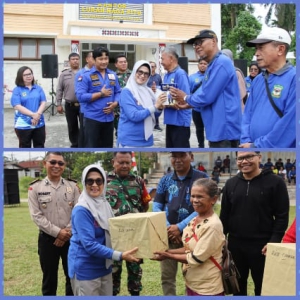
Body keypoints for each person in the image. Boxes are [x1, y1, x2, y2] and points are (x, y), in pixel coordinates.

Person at [220, 151, 289, 295]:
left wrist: (273, 242)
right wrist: (221, 239)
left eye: (249, 157)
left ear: (259, 157)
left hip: (263, 246)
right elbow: (224, 215)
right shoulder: (231, 184)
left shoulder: (275, 182)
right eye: (240, 158)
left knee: (263, 287)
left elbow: (282, 216)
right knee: (238, 287)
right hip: (235, 245)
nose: (244, 161)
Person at [68, 164, 139, 296]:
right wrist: (120, 255)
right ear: (84, 183)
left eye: (99, 181)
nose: (94, 185)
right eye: (90, 181)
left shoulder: (104, 204)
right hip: (86, 269)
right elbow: (89, 245)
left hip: (105, 265)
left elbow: (113, 231)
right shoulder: (81, 210)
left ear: (104, 183)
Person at [153, 178, 225, 296]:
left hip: (207, 287)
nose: (195, 200)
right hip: (193, 283)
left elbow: (197, 258)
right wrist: (166, 251)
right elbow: (188, 248)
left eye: (200, 197)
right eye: (193, 196)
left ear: (213, 199)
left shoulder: (213, 226)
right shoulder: (195, 219)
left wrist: (167, 255)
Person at [172, 29, 241, 148]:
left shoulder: (221, 62)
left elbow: (206, 96)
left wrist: (185, 97)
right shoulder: (213, 64)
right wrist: (189, 103)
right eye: (195, 44)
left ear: (213, 41)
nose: (197, 47)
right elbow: (205, 91)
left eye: (201, 42)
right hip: (217, 129)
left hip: (224, 131)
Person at [152, 151, 208, 295]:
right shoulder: (165, 180)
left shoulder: (201, 178)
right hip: (168, 236)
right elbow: (156, 206)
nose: (178, 160)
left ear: (192, 157)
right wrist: (169, 228)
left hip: (194, 236)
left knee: (194, 276)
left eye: (182, 155)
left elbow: (203, 208)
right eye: (174, 156)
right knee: (167, 277)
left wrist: (180, 227)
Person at [28, 152, 81, 295]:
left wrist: (66, 233)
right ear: (45, 164)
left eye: (60, 163)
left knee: (72, 276)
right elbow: (36, 216)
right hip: (47, 240)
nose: (56, 166)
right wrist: (58, 233)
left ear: (64, 166)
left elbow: (79, 212)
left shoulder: (73, 186)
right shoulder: (35, 188)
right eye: (53, 162)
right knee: (49, 279)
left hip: (71, 239)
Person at [240, 27, 295, 148]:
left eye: (261, 48)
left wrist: (257, 146)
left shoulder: (294, 79)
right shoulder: (259, 79)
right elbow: (247, 114)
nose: (256, 53)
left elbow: (290, 125)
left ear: (280, 49)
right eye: (256, 48)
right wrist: (245, 140)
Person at [106, 152, 152, 296]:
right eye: (121, 162)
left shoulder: (138, 181)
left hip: (135, 236)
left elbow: (145, 204)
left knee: (135, 273)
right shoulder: (104, 181)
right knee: (113, 274)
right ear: (114, 162)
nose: (125, 165)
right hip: (113, 236)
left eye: (128, 162)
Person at [76, 47, 121, 148]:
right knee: (91, 147)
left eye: (106, 59)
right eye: (101, 59)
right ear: (94, 59)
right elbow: (80, 97)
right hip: (92, 119)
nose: (104, 62)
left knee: (108, 147)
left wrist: (115, 103)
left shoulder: (112, 74)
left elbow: (118, 92)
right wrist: (100, 94)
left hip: (109, 119)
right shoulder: (85, 76)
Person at [117, 60, 166, 147]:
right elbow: (134, 116)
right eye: (140, 72)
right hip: (130, 141)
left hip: (147, 140)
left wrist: (159, 108)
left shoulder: (148, 91)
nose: (142, 76)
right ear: (134, 72)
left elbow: (153, 115)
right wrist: (155, 106)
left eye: (146, 74)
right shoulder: (127, 91)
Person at [161, 47, 191, 148]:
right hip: (170, 121)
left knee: (181, 153)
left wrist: (168, 103)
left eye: (162, 59)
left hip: (180, 122)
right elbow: (165, 94)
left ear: (171, 59)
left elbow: (185, 99)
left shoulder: (180, 74)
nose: (161, 62)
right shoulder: (166, 75)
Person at [11, 66, 46, 148]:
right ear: (20, 77)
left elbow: (43, 102)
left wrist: (37, 114)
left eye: (30, 74)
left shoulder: (38, 88)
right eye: (25, 75)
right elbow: (17, 106)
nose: (28, 76)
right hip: (23, 124)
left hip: (39, 122)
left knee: (40, 145)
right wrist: (33, 115)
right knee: (25, 146)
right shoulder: (17, 90)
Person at [56, 52, 81, 148]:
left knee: (85, 126)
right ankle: (75, 144)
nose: (75, 61)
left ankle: (83, 143)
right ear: (69, 61)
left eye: (77, 59)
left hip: (83, 105)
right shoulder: (64, 74)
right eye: (73, 59)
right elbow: (59, 89)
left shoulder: (84, 73)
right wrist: (58, 104)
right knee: (72, 126)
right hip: (70, 105)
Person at [75, 51, 95, 147]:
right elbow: (80, 94)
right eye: (93, 57)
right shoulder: (81, 73)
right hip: (86, 109)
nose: (95, 59)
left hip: (98, 110)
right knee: (85, 135)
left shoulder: (100, 72)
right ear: (87, 59)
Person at [189, 59, 208, 148]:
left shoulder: (211, 77)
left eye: (205, 64)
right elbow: (188, 92)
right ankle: (201, 145)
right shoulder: (192, 78)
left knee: (209, 128)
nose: (203, 65)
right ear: (198, 65)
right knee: (199, 128)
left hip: (208, 109)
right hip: (196, 109)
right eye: (201, 63)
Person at [114, 54, 132, 137]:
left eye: (125, 62)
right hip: (117, 109)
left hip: (131, 108)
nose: (123, 63)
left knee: (130, 131)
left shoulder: (134, 75)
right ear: (116, 64)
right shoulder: (112, 76)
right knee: (119, 131)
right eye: (121, 62)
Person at [147, 61, 163, 131]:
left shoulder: (158, 76)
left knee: (157, 108)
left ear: (156, 67)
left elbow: (161, 85)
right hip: (148, 95)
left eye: (153, 66)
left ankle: (156, 125)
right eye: (150, 66)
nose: (151, 68)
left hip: (156, 95)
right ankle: (149, 124)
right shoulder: (146, 76)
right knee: (150, 109)